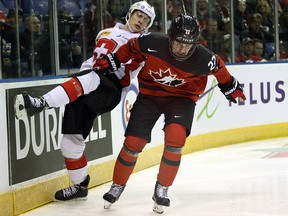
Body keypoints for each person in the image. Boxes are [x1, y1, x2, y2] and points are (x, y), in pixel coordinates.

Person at [94, 14, 246, 213]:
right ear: (170, 38)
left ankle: (162, 188)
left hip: (182, 99)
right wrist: (115, 60)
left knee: (176, 138)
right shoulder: (151, 42)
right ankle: (117, 185)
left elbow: (219, 69)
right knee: (133, 142)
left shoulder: (204, 58)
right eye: (178, 43)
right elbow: (131, 47)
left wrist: (229, 86)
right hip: (150, 95)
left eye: (188, 44)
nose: (183, 49)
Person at [14, 1, 155, 201]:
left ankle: (41, 103)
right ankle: (80, 186)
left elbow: (126, 67)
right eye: (139, 15)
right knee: (70, 142)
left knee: (92, 77)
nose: (141, 21)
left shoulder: (142, 43)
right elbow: (93, 61)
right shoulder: (105, 32)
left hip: (110, 89)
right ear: (130, 13)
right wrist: (82, 73)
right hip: (88, 84)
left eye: (146, 19)